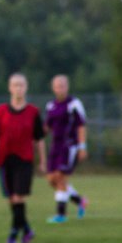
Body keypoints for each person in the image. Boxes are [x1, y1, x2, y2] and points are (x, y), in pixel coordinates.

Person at [0, 73, 46, 243]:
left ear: (26, 88)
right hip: (5, 159)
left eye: (22, 85)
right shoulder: (0, 111)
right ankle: (26, 229)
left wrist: (42, 161)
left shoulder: (33, 112)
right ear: (10, 88)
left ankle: (13, 233)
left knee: (19, 196)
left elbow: (39, 139)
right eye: (15, 85)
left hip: (24, 159)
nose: (18, 88)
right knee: (11, 198)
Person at [43, 74, 90, 223]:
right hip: (55, 146)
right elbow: (47, 127)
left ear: (67, 87)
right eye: (57, 86)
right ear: (53, 88)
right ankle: (79, 201)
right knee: (51, 179)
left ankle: (61, 215)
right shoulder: (51, 106)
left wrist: (82, 146)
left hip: (69, 146)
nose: (60, 88)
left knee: (61, 177)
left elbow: (81, 125)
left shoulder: (74, 103)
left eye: (62, 85)